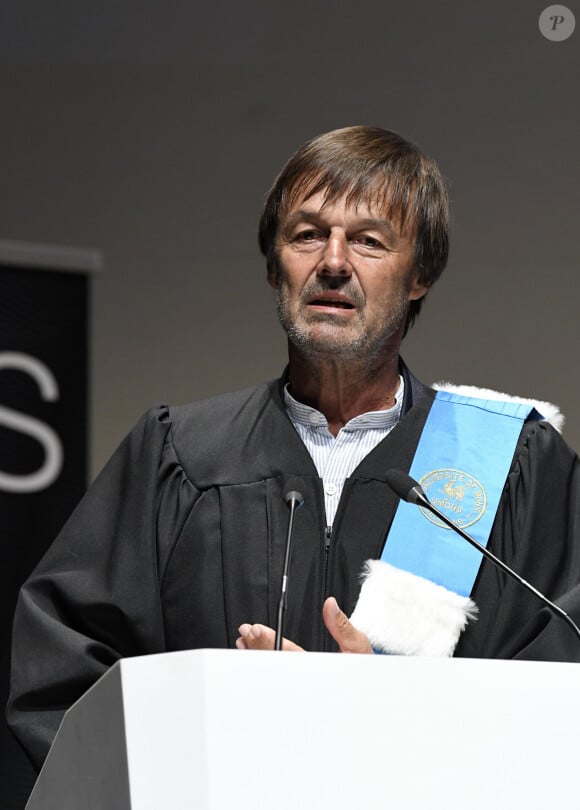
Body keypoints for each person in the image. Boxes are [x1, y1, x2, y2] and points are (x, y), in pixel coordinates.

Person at [7, 126, 580, 772]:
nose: (333, 262)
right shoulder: (181, 457)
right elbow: (59, 684)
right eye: (307, 234)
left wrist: (387, 713)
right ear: (274, 265)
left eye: (368, 240)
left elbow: (561, 704)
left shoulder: (511, 467)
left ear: (419, 275)